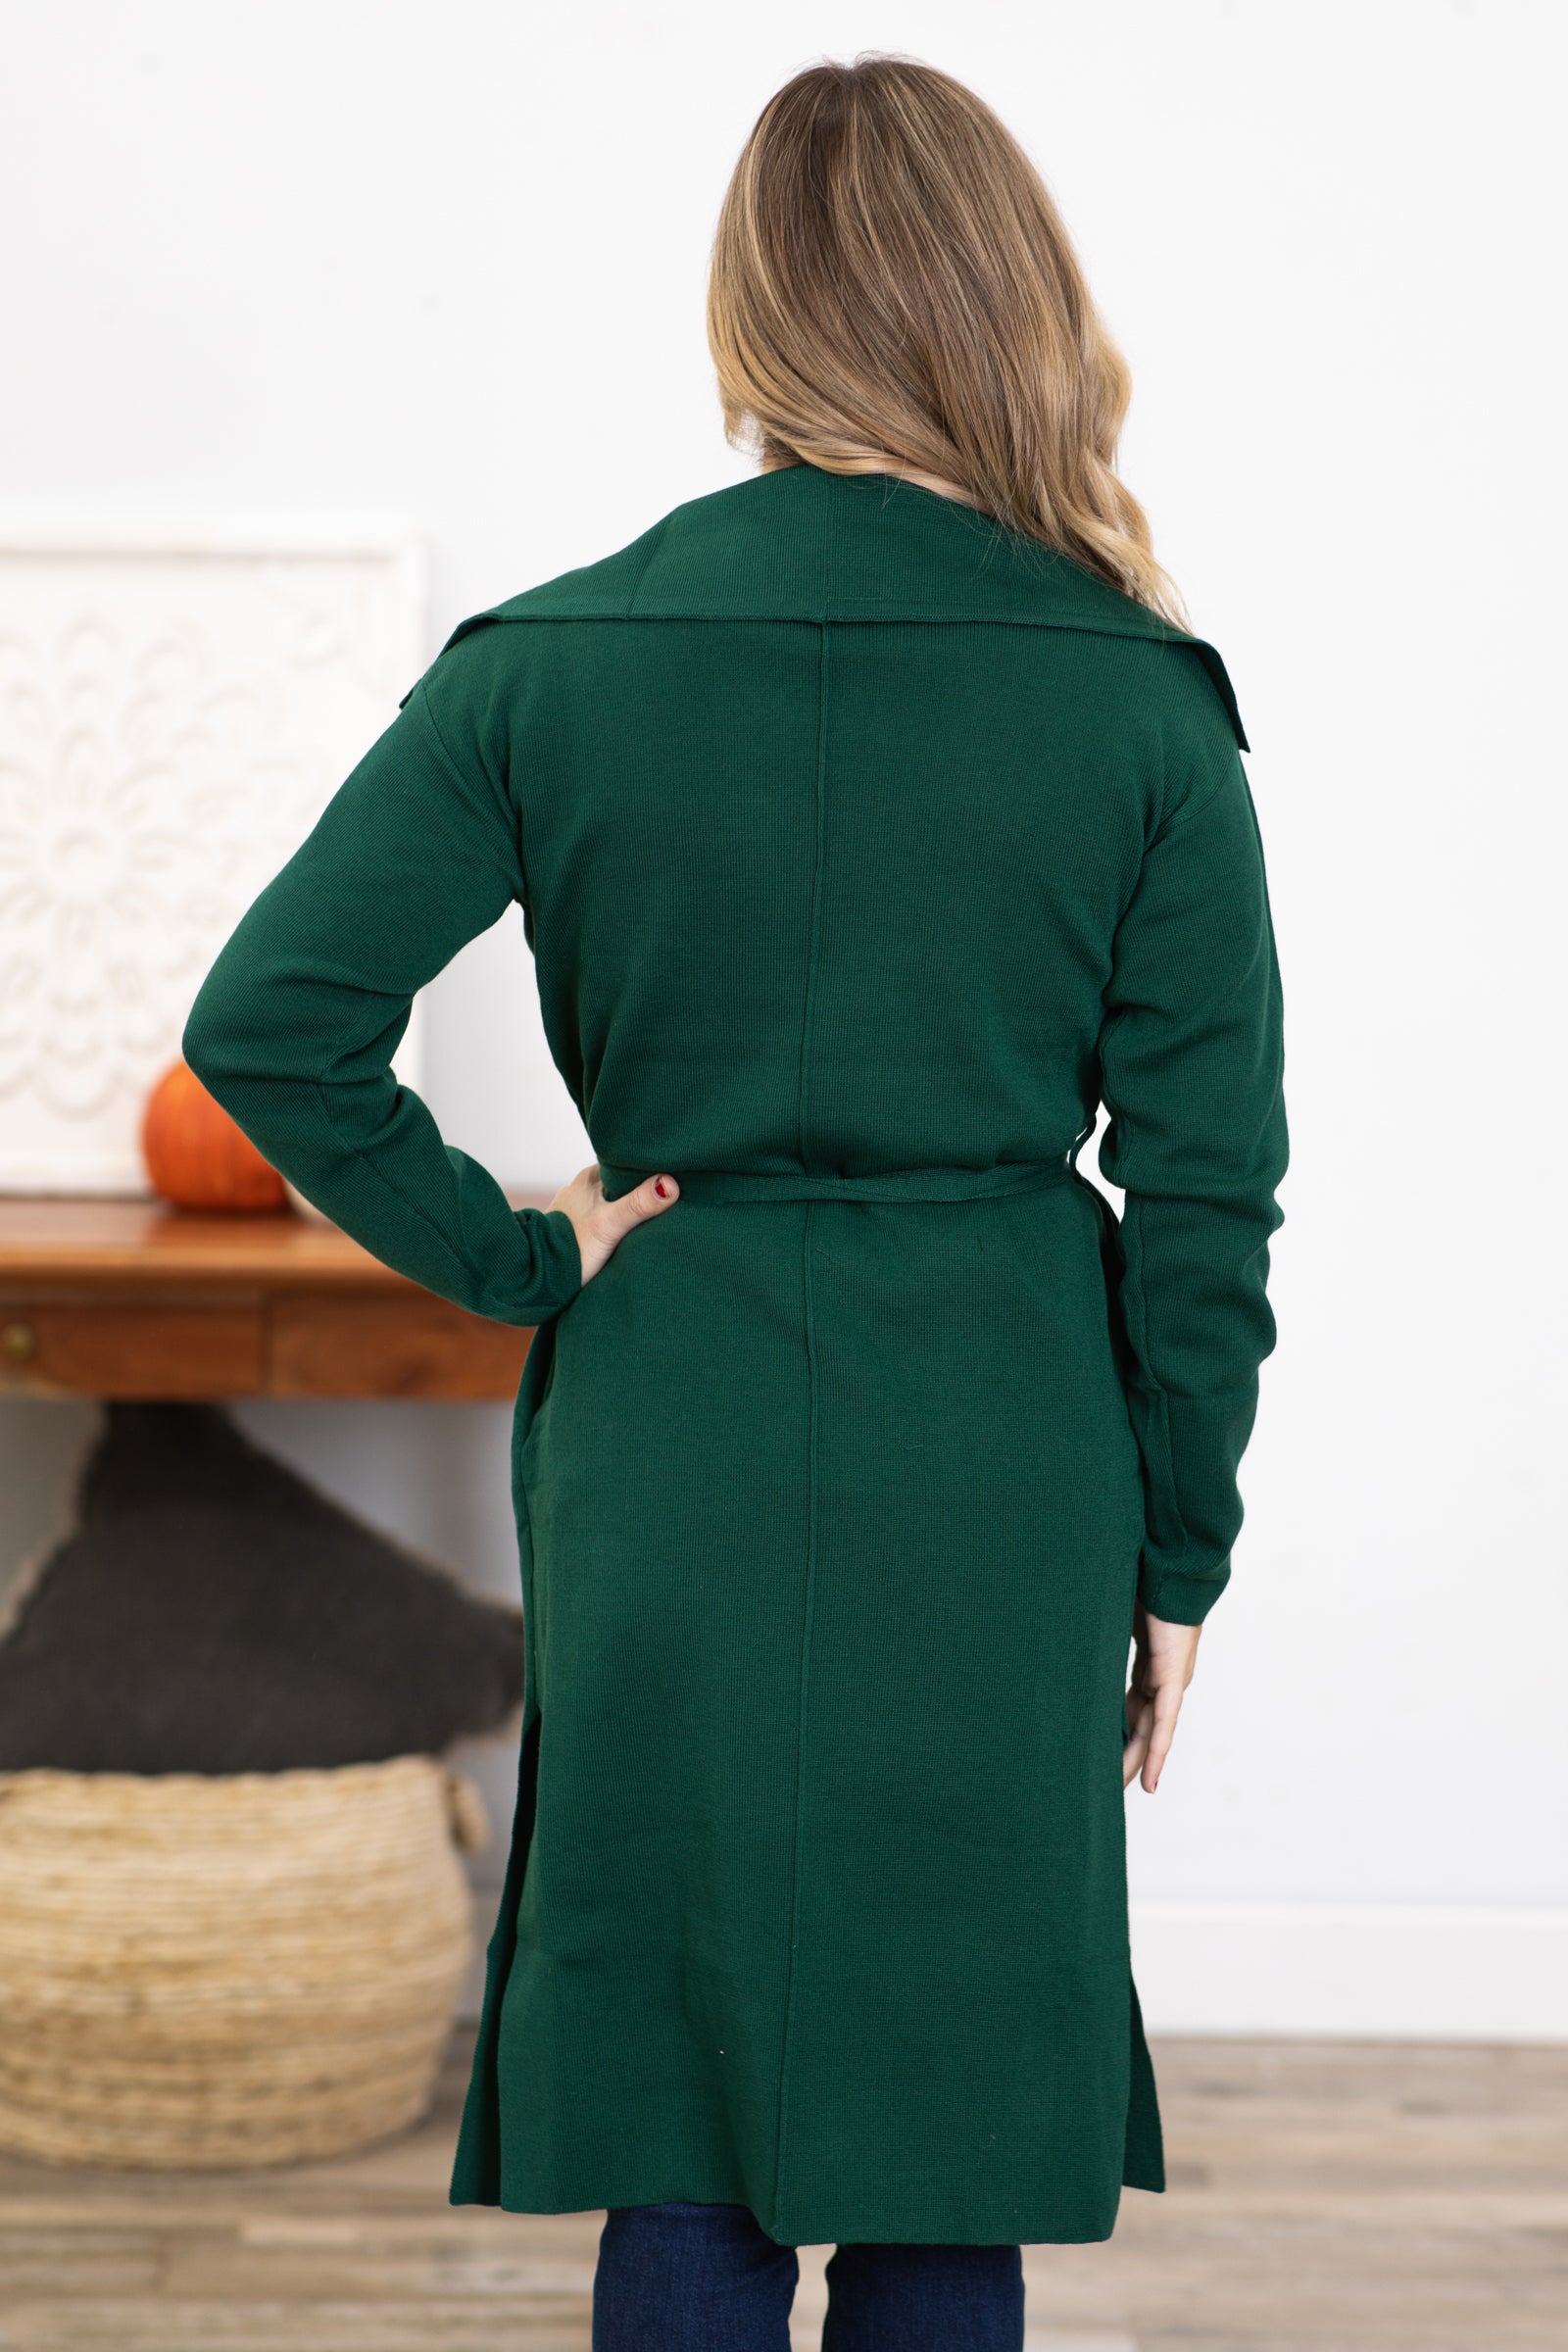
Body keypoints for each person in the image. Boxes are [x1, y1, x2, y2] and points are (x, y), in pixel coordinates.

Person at [184, 52, 1287, 2352]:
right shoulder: (1137, 700)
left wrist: (521, 1257)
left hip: (668, 1430)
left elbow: (272, 1024)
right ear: (1005, 301)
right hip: (997, 1449)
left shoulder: (549, 666)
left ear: (751, 314)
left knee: (679, 2109)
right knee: (942, 2123)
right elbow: (1206, 1187)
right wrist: (1178, 1543)